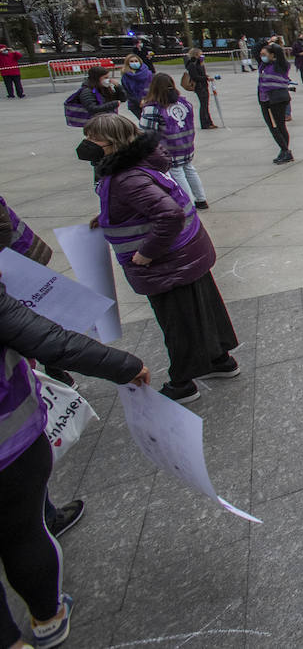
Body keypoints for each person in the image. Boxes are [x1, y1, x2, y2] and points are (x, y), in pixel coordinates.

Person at [0, 279, 153, 649]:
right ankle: (48, 620)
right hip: (10, 446)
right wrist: (124, 365)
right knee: (23, 533)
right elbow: (51, 341)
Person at [84, 114, 239, 403]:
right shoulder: (137, 165)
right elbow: (147, 204)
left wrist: (146, 254)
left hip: (167, 261)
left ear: (110, 143)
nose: (87, 144)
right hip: (186, 252)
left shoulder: (126, 177)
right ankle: (220, 360)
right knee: (203, 308)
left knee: (177, 322)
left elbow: (169, 214)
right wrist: (106, 217)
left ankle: (183, 383)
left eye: (92, 138)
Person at [139, 73, 209, 211]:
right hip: (186, 144)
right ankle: (201, 199)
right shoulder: (184, 103)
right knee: (189, 170)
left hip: (169, 147)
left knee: (177, 174)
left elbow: (146, 131)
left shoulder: (153, 108)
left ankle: (188, 204)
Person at [257, 41, 294, 164]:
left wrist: (275, 46)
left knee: (277, 127)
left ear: (273, 55)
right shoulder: (263, 66)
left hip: (275, 100)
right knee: (275, 126)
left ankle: (285, 151)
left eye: (265, 54)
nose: (262, 56)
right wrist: (265, 43)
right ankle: (284, 150)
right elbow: (256, 49)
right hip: (266, 100)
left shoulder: (280, 66)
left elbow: (279, 53)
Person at [0, 196, 54, 266]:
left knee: (38, 274)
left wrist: (1, 253)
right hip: (18, 250)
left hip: (22, 249)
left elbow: (4, 227)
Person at [183, 46, 216, 129]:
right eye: (200, 55)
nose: (202, 56)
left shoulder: (200, 64)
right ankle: (205, 123)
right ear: (196, 55)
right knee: (203, 105)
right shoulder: (192, 64)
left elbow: (201, 74)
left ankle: (209, 122)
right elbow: (195, 77)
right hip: (199, 87)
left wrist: (205, 77)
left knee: (206, 105)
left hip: (204, 86)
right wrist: (206, 78)